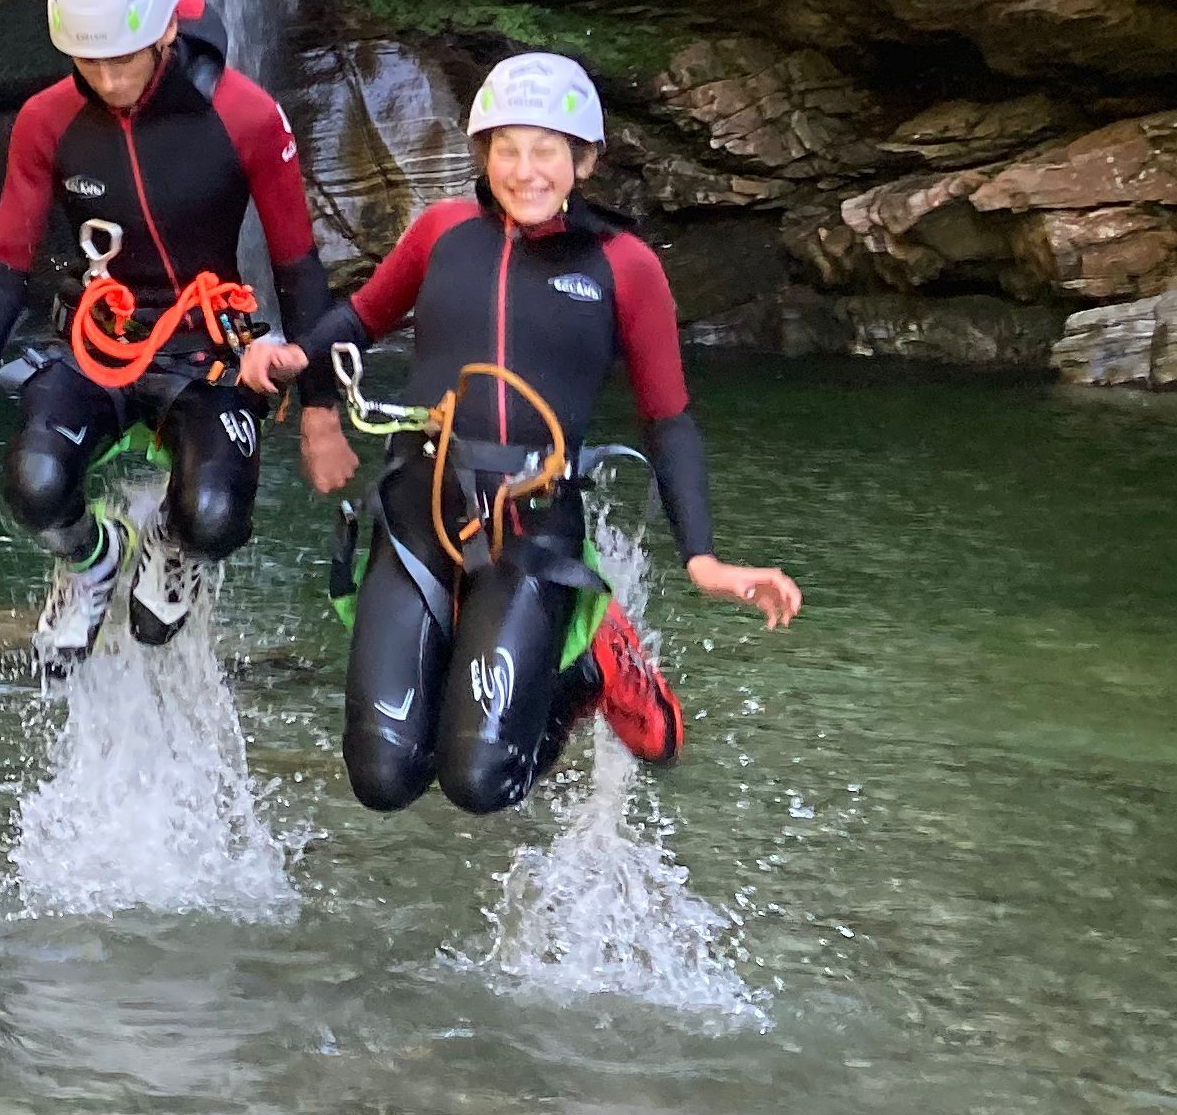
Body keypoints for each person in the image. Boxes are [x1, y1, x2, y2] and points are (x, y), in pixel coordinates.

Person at [240, 50, 804, 816]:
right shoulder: (441, 231)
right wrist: (296, 356)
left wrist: (702, 559)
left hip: (532, 525)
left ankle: (588, 670)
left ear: (584, 160)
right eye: (507, 148)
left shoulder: (624, 266)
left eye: (547, 150)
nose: (525, 170)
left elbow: (668, 419)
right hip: (418, 507)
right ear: (483, 154)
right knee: (383, 777)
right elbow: (362, 317)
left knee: (480, 783)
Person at [0, 0, 324, 672]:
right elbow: (4, 266)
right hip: (97, 344)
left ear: (164, 30)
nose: (110, 81)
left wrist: (320, 409)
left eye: (123, 59)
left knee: (216, 516)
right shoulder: (48, 121)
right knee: (33, 486)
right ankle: (92, 558)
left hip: (208, 350)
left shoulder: (246, 116)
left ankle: (169, 542)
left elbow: (298, 264)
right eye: (89, 63)